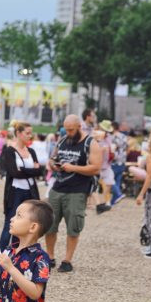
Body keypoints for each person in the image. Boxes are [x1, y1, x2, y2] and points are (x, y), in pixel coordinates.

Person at [45, 114, 102, 273]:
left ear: (79, 127)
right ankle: (50, 257)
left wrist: (74, 168)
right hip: (57, 188)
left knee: (73, 227)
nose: (68, 132)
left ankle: (67, 260)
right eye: (66, 129)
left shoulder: (91, 143)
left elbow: (96, 167)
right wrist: (53, 165)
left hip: (77, 191)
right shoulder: (63, 140)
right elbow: (52, 158)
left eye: (71, 130)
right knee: (49, 224)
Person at [0, 123, 42, 251]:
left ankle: (18, 253)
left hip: (30, 192)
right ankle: (3, 254)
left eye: (31, 133)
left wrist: (23, 169)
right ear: (18, 133)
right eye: (27, 133)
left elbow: (39, 171)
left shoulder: (31, 151)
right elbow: (14, 173)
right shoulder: (9, 151)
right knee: (10, 223)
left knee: (26, 224)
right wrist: (31, 170)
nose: (30, 136)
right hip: (15, 192)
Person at [96, 120, 115, 212]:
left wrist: (112, 152)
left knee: (109, 182)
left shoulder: (109, 138)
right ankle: (98, 202)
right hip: (97, 165)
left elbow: (111, 148)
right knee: (94, 185)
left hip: (107, 164)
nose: (106, 132)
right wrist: (101, 150)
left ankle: (105, 201)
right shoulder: (95, 137)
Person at [110, 121, 128, 205]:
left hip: (115, 161)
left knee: (110, 180)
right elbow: (126, 147)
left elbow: (112, 149)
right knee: (117, 180)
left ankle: (118, 194)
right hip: (123, 160)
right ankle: (113, 201)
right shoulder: (124, 136)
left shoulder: (112, 137)